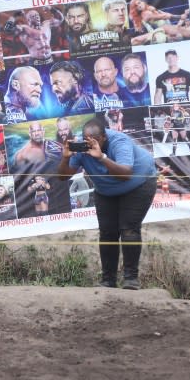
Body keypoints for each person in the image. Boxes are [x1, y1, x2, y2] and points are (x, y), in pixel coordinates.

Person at [57, 117, 156, 290]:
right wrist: (65, 158)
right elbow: (62, 177)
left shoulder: (119, 141)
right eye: (87, 140)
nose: (89, 144)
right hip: (106, 190)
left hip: (138, 184)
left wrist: (101, 157)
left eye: (94, 140)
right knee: (107, 232)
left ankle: (131, 279)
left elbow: (126, 174)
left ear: (104, 137)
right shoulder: (81, 147)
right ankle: (108, 280)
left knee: (129, 228)